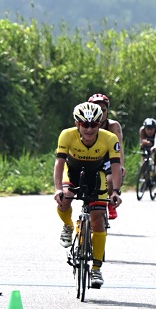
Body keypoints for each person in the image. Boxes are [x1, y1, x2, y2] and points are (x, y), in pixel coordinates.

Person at [54, 102, 122, 288]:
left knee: (98, 220)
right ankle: (68, 226)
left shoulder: (109, 138)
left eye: (94, 124)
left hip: (96, 174)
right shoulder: (67, 135)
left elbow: (116, 166)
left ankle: (96, 269)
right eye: (85, 124)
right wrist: (58, 188)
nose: (90, 129)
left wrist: (115, 191)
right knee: (65, 198)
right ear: (77, 124)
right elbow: (59, 164)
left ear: (100, 123)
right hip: (73, 172)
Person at [88, 93, 124, 219]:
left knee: (109, 180)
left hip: (109, 159)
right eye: (96, 109)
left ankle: (110, 202)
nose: (100, 112)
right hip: (91, 157)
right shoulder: (84, 124)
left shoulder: (113, 126)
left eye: (103, 110)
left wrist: (121, 166)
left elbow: (119, 148)